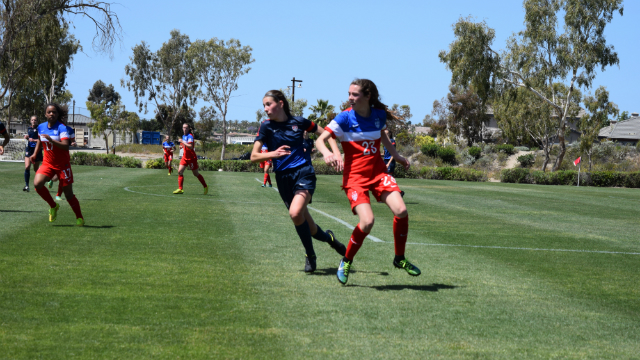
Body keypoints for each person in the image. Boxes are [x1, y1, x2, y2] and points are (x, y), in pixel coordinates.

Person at [316, 79, 420, 285]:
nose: (350, 98)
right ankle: (346, 260)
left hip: (379, 174)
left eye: (354, 94)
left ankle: (399, 258)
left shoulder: (378, 115)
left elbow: (382, 136)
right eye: (349, 94)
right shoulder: (345, 118)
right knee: (367, 222)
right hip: (355, 179)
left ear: (367, 96)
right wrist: (329, 154)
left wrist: (396, 156)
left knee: (401, 211)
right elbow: (321, 139)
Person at [251, 90, 346, 272]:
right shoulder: (266, 126)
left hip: (303, 173)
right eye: (264, 105)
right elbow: (254, 156)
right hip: (283, 178)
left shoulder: (299, 122)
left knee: (295, 213)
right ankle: (331, 240)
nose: (265, 109)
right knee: (309, 227)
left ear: (280, 103)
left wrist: (335, 153)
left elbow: (327, 134)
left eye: (268, 104)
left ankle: (310, 255)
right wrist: (273, 154)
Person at [31, 103, 84, 226]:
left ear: (57, 114)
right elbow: (40, 140)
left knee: (68, 194)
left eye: (54, 112)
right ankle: (53, 206)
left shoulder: (62, 127)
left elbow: (66, 146)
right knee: (37, 184)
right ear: (45, 114)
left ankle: (79, 217)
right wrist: (35, 154)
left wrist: (51, 140)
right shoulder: (41, 127)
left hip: (62, 165)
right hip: (47, 163)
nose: (51, 114)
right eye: (49, 112)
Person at [46, 120, 77, 201]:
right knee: (55, 178)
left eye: (65, 118)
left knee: (62, 178)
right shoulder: (52, 128)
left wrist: (74, 144)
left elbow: (73, 142)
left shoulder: (69, 129)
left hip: (64, 158)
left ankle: (58, 195)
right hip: (53, 157)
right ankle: (50, 179)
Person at [173, 123, 208, 194]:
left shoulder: (190, 136)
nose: (184, 129)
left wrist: (182, 142)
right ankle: (180, 189)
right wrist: (181, 146)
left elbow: (191, 146)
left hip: (191, 158)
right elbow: (185, 144)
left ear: (189, 129)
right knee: (180, 171)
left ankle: (205, 186)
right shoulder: (184, 136)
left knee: (195, 174)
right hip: (185, 157)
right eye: (183, 127)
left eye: (186, 128)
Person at [23, 116, 43, 192]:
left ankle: (44, 180)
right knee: (27, 166)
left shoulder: (40, 129)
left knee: (36, 169)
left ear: (37, 121)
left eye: (35, 120)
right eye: (32, 120)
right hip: (29, 149)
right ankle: (27, 186)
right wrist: (27, 137)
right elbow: (29, 137)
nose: (34, 121)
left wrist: (34, 140)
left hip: (37, 150)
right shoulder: (29, 128)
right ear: (30, 121)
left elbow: (41, 139)